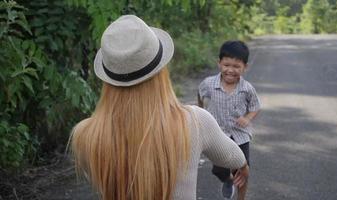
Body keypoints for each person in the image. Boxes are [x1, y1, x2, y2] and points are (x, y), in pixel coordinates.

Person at [68, 15, 249, 200]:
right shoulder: (196, 121)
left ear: (108, 77)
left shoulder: (85, 134)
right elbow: (234, 158)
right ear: (161, 70)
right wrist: (243, 168)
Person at [198, 40, 261, 200]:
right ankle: (227, 180)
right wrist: (202, 113)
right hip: (218, 135)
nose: (230, 70)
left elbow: (255, 107)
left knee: (243, 171)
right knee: (219, 169)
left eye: (236, 66)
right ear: (219, 63)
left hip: (240, 136)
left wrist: (247, 118)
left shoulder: (247, 89)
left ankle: (241, 198)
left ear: (245, 67)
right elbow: (200, 96)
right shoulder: (209, 84)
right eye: (226, 65)